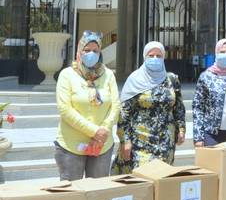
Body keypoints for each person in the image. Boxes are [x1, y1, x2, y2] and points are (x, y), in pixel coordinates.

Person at [55, 31, 120, 180]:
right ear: (79, 51)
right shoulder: (67, 74)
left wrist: (103, 130)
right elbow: (65, 109)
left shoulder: (108, 74)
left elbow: (115, 105)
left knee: (98, 190)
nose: (91, 54)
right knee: (72, 191)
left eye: (95, 51)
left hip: (102, 145)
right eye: (87, 50)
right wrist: (95, 131)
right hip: (72, 145)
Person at [112, 41, 186, 173]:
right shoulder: (135, 79)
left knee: (163, 177)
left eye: (159, 56)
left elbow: (178, 108)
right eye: (151, 56)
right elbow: (124, 114)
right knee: (143, 177)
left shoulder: (171, 79)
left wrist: (181, 129)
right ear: (144, 57)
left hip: (166, 142)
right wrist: (125, 140)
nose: (155, 59)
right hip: (141, 141)